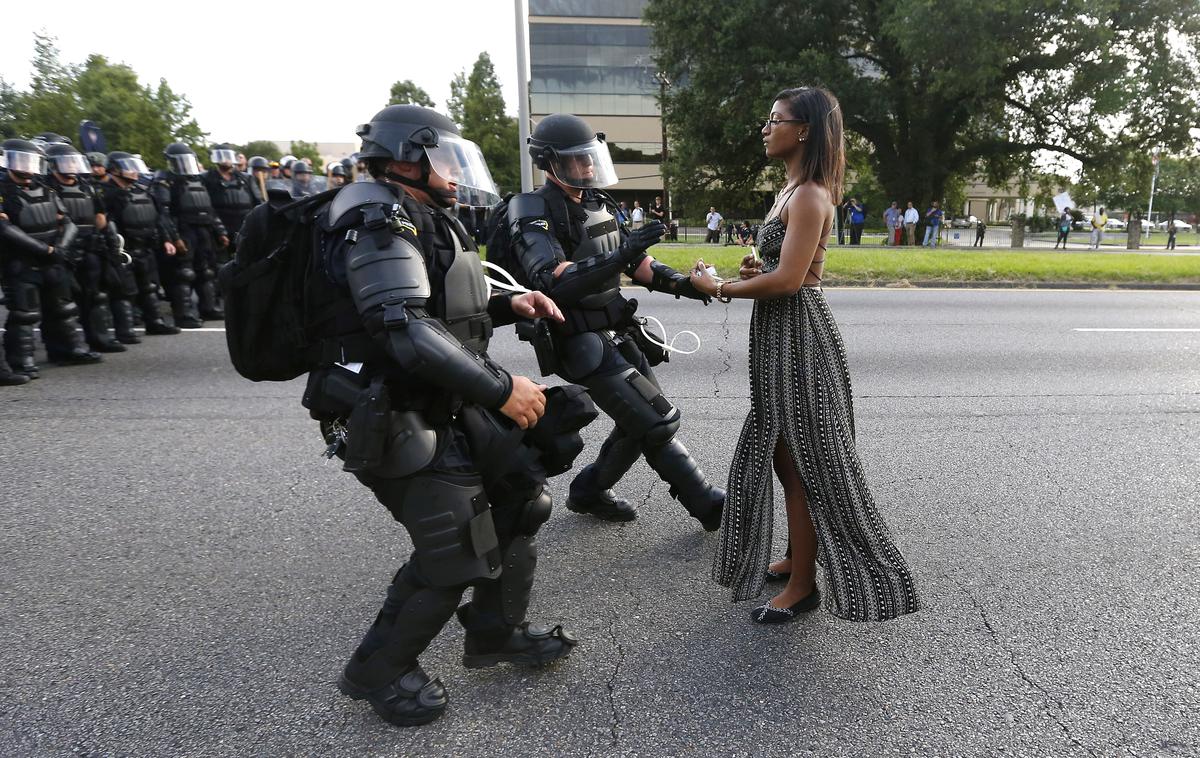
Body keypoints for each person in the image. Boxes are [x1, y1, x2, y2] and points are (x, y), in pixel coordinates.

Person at [302, 104, 582, 728]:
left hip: (437, 397)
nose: (455, 174)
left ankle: (494, 632)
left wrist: (513, 303)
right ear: (406, 158)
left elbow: (442, 304)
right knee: (455, 548)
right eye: (445, 160)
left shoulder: (414, 213)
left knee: (520, 499)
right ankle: (379, 671)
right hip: (389, 408)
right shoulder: (375, 216)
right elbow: (404, 328)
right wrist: (502, 387)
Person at [690, 86, 920, 624]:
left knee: (805, 462)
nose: (766, 128)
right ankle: (798, 555)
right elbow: (778, 270)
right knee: (781, 453)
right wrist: (754, 272)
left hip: (799, 337)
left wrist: (719, 286)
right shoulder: (789, 190)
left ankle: (803, 585)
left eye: (776, 120)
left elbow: (792, 281)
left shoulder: (812, 194)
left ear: (805, 130)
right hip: (779, 335)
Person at [506, 113, 725, 529]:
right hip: (577, 337)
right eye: (578, 159)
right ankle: (707, 504)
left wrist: (686, 285)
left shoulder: (597, 202)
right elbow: (551, 279)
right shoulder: (531, 208)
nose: (588, 166)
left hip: (617, 328)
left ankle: (588, 491)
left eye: (591, 157)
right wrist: (622, 256)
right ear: (550, 162)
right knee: (656, 420)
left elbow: (638, 262)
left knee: (639, 421)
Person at [1, 138, 103, 378]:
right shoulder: (3, 191)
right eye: (20, 160)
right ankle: (21, 360)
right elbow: (5, 229)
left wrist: (60, 248)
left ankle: (68, 349)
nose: (26, 167)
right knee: (25, 313)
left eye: (30, 160)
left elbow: (67, 221)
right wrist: (44, 250)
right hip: (22, 261)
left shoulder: (46, 188)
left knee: (64, 308)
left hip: (53, 257)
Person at [44, 142, 126, 353]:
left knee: (95, 296)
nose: (71, 166)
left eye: (73, 161)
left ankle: (99, 339)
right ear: (53, 165)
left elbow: (100, 216)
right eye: (66, 162)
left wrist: (109, 240)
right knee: (62, 302)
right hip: (62, 250)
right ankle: (62, 348)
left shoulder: (86, 186)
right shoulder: (46, 188)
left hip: (89, 247)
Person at [102, 152, 180, 336]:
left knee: (150, 287)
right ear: (114, 169)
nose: (134, 171)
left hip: (146, 247)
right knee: (124, 292)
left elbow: (159, 218)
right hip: (123, 250)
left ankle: (155, 322)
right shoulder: (106, 193)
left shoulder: (143, 191)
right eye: (128, 167)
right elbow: (104, 223)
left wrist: (167, 239)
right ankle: (125, 331)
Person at [153, 143, 229, 326]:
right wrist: (174, 237)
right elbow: (164, 213)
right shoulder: (165, 181)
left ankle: (208, 308)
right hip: (184, 229)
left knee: (207, 271)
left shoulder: (199, 180)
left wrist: (220, 231)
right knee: (184, 273)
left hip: (203, 229)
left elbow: (209, 209)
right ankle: (184, 314)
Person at [202, 144, 258, 242]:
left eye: (228, 156)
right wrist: (220, 230)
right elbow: (206, 206)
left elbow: (258, 202)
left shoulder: (246, 178)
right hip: (220, 230)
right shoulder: (206, 178)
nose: (226, 160)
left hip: (246, 228)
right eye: (222, 157)